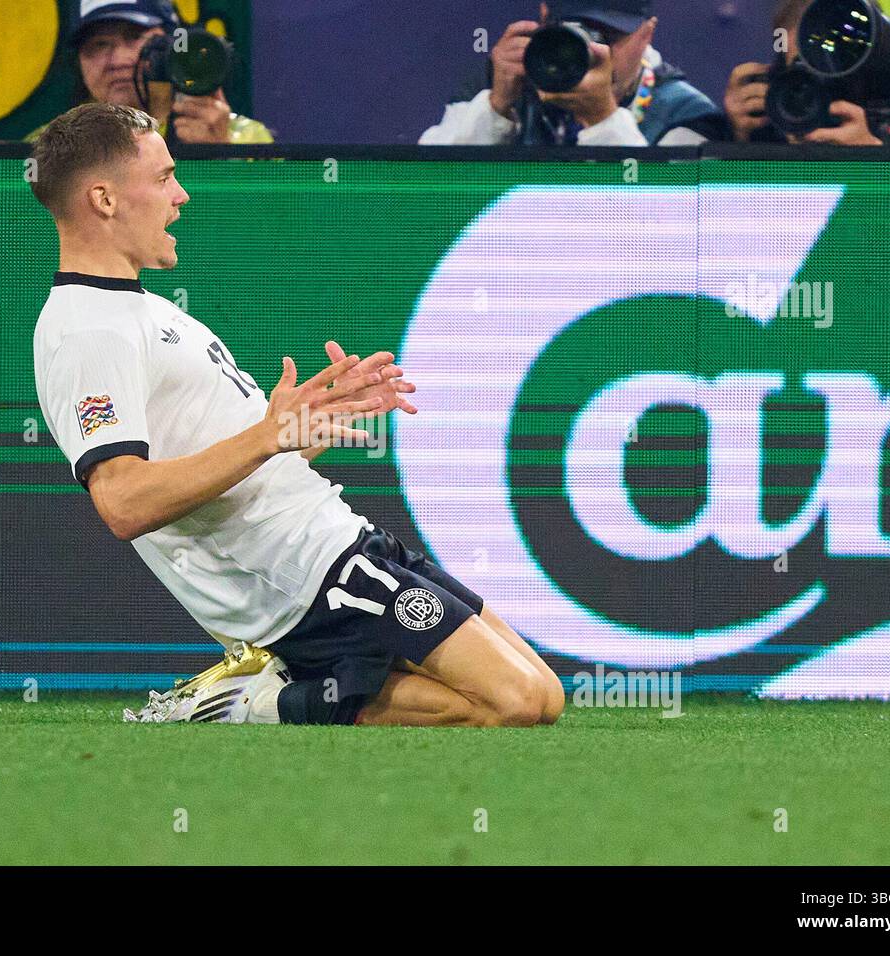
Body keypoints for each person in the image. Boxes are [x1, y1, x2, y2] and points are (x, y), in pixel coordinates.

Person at [29, 103, 565, 727]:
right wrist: (267, 436)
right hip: (298, 578)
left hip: (340, 540)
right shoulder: (88, 331)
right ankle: (254, 701)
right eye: (164, 178)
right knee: (515, 703)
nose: (182, 195)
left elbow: (236, 461)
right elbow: (124, 501)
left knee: (545, 695)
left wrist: (305, 431)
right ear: (105, 199)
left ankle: (276, 691)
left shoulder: (145, 311)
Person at [419, 0, 722, 147]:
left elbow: (660, 231)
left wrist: (602, 119)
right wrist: (496, 108)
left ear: (647, 33)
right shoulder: (501, 84)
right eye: (576, 30)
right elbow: (430, 196)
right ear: (544, 18)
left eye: (610, 34)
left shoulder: (686, 114)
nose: (593, 49)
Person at [39, 0, 272, 145]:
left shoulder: (247, 140)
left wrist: (219, 159)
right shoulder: (47, 147)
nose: (118, 60)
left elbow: (273, 222)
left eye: (135, 36)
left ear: (170, 46)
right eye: (99, 45)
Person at [722, 0, 879, 146]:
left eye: (829, 70)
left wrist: (874, 162)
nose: (813, 92)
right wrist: (740, 141)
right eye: (801, 72)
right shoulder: (763, 129)